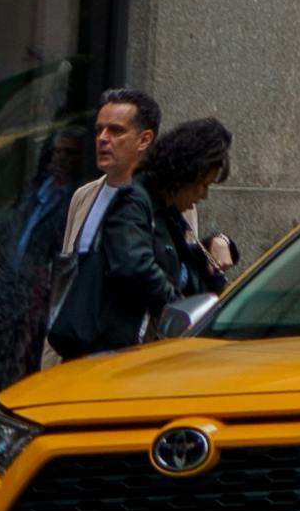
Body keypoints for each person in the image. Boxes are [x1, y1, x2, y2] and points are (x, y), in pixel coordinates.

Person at [42, 86, 189, 359]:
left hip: (137, 357)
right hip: (78, 355)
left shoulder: (167, 203)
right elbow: (68, 283)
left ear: (144, 140)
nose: (102, 139)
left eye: (116, 131)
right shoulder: (84, 197)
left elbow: (177, 280)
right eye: (99, 130)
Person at [144, 119, 236, 301]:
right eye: (204, 185)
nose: (204, 196)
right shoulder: (143, 208)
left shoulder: (173, 216)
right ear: (185, 175)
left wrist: (220, 241)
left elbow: (191, 255)